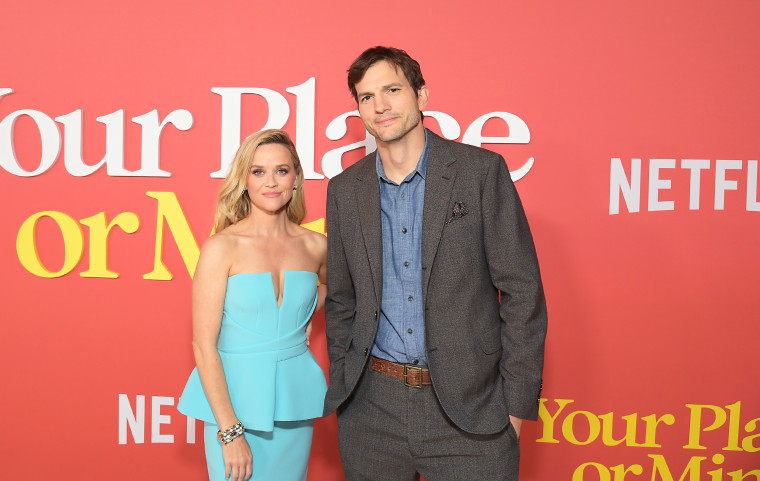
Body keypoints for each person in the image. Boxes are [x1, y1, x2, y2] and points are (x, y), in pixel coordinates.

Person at [323, 46, 547, 481]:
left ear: (421, 96)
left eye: (392, 89)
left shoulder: (479, 172)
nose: (380, 105)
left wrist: (515, 409)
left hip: (472, 411)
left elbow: (523, 291)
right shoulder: (345, 191)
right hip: (371, 412)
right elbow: (342, 301)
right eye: (366, 97)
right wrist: (346, 385)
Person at [178, 129, 327, 481]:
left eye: (282, 170)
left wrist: (308, 306)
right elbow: (203, 346)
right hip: (232, 404)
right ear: (244, 180)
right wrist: (230, 433)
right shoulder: (221, 248)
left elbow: (344, 291)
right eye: (258, 171)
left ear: (296, 178)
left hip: (292, 404)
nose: (271, 182)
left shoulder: (315, 246)